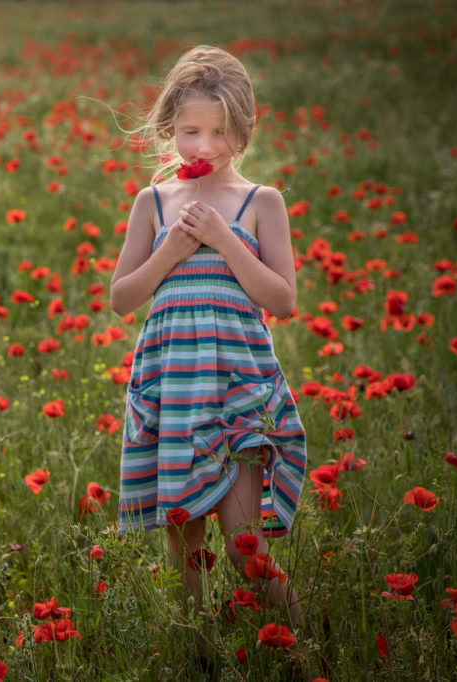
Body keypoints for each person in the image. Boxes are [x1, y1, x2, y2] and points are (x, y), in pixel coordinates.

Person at [109, 45, 307, 638]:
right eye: (191, 130)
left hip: (235, 393)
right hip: (174, 394)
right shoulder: (153, 203)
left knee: (248, 554)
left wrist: (223, 239)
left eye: (218, 132)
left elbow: (282, 300)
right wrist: (170, 251)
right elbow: (122, 298)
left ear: (241, 132)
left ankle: (312, 653)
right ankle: (197, 656)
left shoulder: (260, 203)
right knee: (185, 559)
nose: (203, 146)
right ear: (169, 129)